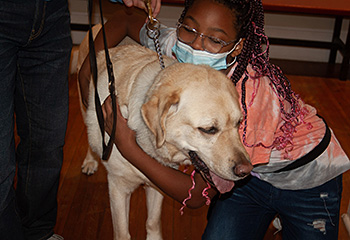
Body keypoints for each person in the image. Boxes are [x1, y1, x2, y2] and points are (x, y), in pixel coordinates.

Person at [78, 0, 350, 239]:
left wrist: (126, 145)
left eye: (216, 40)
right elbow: (125, 19)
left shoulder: (253, 96)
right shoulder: (182, 45)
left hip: (308, 183)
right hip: (246, 175)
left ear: (237, 46)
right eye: (189, 29)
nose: (198, 44)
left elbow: (196, 196)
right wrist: (87, 71)